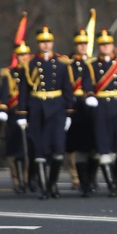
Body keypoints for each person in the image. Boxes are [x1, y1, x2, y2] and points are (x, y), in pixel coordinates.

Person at [19, 26, 74, 199]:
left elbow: (67, 89)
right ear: (38, 44)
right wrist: (22, 113)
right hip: (37, 107)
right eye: (42, 42)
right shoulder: (30, 64)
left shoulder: (61, 63)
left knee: (58, 150)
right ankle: (44, 188)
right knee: (39, 149)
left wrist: (69, 112)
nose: (45, 45)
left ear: (52, 43)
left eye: (48, 42)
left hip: (56, 107)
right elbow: (23, 91)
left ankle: (52, 184)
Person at [83, 29, 117, 197]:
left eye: (108, 44)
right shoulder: (91, 65)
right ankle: (111, 183)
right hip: (101, 108)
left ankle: (115, 176)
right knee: (104, 148)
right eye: (102, 45)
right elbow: (87, 83)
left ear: (113, 46)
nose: (105, 47)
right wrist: (90, 95)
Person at [0, 42, 32, 193]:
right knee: (13, 147)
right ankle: (16, 180)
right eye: (20, 55)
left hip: (29, 112)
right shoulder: (10, 73)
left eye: (25, 55)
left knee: (28, 147)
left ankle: (27, 179)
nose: (23, 58)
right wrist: (3, 108)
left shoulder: (33, 71)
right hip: (13, 113)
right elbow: (4, 93)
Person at [66, 28, 96, 195]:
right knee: (77, 147)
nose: (83, 46)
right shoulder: (70, 65)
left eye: (85, 43)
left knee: (94, 148)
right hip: (76, 107)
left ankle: (91, 179)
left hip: (92, 109)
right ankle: (80, 180)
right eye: (80, 44)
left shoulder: (94, 63)